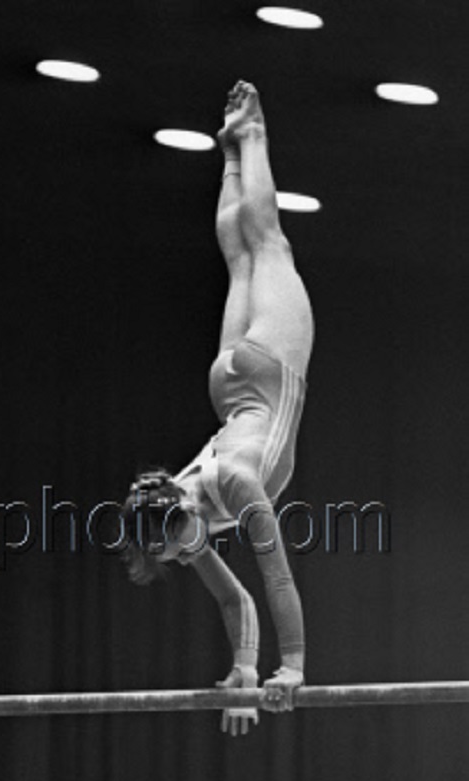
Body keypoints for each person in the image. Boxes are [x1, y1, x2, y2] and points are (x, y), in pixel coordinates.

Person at [123, 81, 314, 735]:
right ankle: (231, 151)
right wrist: (243, 670)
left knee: (267, 245)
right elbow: (236, 601)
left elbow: (275, 578)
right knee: (238, 256)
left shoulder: (232, 483)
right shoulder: (181, 510)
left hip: (267, 370)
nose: (182, 557)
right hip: (231, 385)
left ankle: (251, 135)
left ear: (175, 514)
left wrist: (290, 667)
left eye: (173, 548)